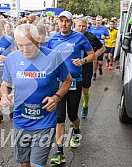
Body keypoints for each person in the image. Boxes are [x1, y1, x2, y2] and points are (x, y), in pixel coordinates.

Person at [0, 23, 72, 167]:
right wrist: (4, 96)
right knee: (24, 164)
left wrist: (56, 97)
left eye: (28, 44)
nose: (24, 49)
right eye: (20, 45)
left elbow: (67, 80)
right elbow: (5, 84)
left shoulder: (53, 57)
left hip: (44, 120)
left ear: (38, 40)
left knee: (37, 165)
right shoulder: (12, 59)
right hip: (21, 120)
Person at [46, 11, 95, 165]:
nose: (64, 24)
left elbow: (92, 54)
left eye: (66, 21)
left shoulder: (79, 37)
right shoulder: (52, 39)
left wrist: (83, 60)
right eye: (61, 21)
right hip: (58, 84)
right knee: (60, 118)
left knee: (72, 115)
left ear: (71, 22)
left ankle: (76, 130)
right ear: (57, 23)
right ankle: (59, 152)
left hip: (75, 81)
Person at [74, 18, 105, 119]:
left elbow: (102, 48)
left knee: (85, 90)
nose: (81, 28)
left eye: (83, 26)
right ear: (75, 26)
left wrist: (93, 56)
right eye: (79, 26)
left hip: (86, 67)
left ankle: (85, 106)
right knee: (73, 92)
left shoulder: (91, 37)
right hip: (73, 67)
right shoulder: (71, 36)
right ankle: (73, 114)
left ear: (86, 27)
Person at [87, 15, 110, 80]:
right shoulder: (91, 28)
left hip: (100, 46)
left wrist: (104, 37)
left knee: (100, 62)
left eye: (99, 20)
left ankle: (100, 68)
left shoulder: (104, 28)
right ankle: (94, 74)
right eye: (97, 20)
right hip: (93, 45)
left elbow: (108, 37)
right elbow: (87, 35)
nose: (98, 22)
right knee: (94, 60)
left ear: (101, 21)